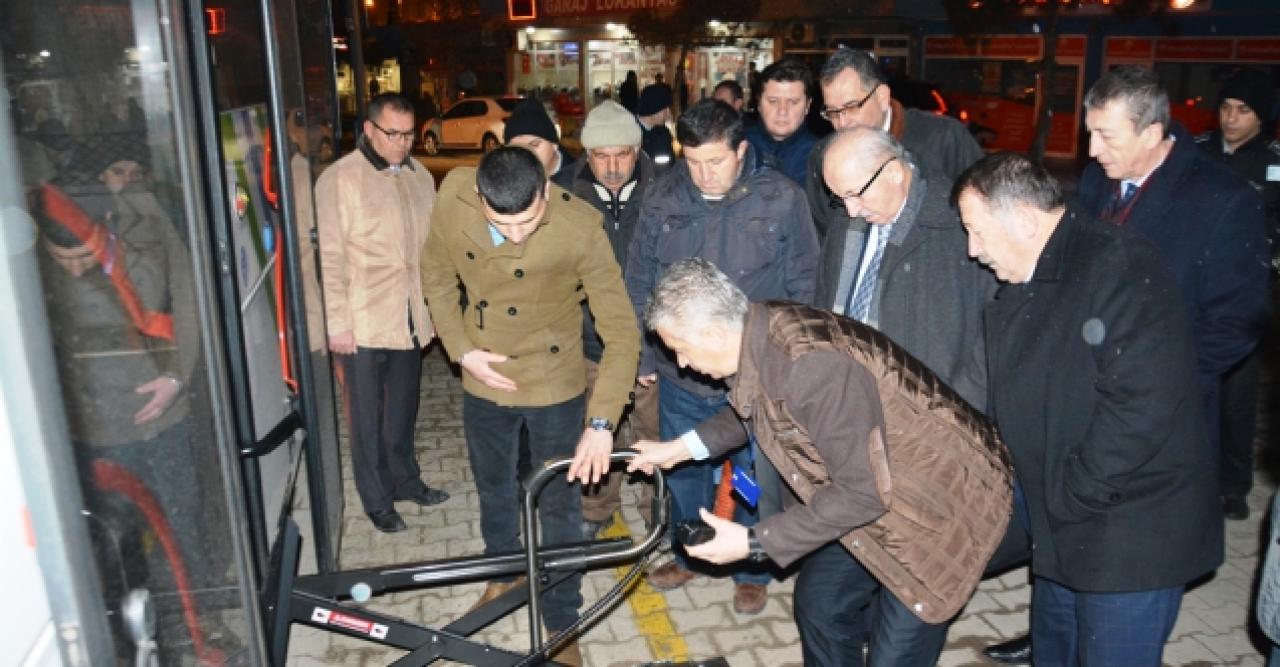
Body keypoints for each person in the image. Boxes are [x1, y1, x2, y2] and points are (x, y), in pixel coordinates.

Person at [985, 65, 1272, 667]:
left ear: (1154, 132)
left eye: (1107, 136)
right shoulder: (1097, 184)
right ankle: (1052, 635)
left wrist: (1156, 377)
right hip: (1081, 398)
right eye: (1090, 133)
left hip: (1156, 414)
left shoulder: (1221, 200)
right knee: (1065, 581)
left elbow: (1238, 319)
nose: (1092, 150)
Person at [626, 258, 1013, 665]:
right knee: (821, 605)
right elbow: (752, 406)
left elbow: (862, 495)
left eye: (681, 351)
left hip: (933, 515)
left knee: (893, 654)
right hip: (873, 493)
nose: (682, 365)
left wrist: (751, 541)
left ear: (714, 332)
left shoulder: (811, 367)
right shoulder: (761, 329)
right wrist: (679, 448)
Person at [957, 152, 1222, 666]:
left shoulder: (1120, 266)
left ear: (1027, 221)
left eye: (977, 231)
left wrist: (1075, 491)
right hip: (1062, 527)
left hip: (1124, 533)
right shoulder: (1031, 274)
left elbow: (1142, 406)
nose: (973, 250)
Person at [420, 147, 640, 665]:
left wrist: (603, 421)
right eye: (503, 224)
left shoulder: (581, 226)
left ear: (547, 193)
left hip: (553, 380)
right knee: (494, 490)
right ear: (479, 197)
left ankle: (563, 621)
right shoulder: (453, 196)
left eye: (529, 220)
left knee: (559, 505)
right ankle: (502, 573)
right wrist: (461, 349)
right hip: (485, 375)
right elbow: (434, 274)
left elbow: (622, 332)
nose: (517, 234)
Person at [624, 99, 819, 615]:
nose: (703, 174)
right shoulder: (662, 197)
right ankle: (691, 554)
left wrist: (793, 367)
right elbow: (639, 279)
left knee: (752, 473)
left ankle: (754, 565)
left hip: (755, 377)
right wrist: (644, 356)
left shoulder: (782, 199)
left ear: (741, 150)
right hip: (681, 376)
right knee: (685, 470)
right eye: (692, 161)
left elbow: (805, 285)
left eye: (715, 161)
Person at [33, 133, 215, 656]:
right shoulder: (34, 265)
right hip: (97, 429)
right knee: (115, 540)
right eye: (60, 259)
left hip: (164, 417)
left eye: (83, 256)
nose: (72, 268)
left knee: (183, 520)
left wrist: (178, 376)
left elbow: (187, 295)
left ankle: (195, 621)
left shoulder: (144, 230)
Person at [315, 93, 447, 534]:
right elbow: (329, 259)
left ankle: (406, 481)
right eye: (393, 133)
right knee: (366, 420)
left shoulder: (420, 177)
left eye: (409, 133)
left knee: (402, 412)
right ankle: (377, 499)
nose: (402, 143)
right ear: (369, 130)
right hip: (363, 321)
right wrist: (337, 324)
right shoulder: (341, 179)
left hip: (410, 320)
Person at [816, 127, 994, 409]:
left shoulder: (958, 229)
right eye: (840, 198)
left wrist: (956, 411)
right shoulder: (845, 223)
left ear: (895, 172)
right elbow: (824, 305)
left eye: (856, 194)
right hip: (847, 402)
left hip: (926, 416)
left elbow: (988, 339)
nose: (851, 210)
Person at [566, 100, 663, 535]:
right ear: (587, 156)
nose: (612, 166)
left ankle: (654, 512)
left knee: (651, 434)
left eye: (621, 154)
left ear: (637, 150)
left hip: (652, 344)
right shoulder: (565, 197)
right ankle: (596, 512)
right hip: (591, 342)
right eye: (601, 157)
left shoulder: (663, 192)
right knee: (596, 429)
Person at [1195, 66, 1279, 520]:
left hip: (1248, 298)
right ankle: (1196, 477)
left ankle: (1233, 486)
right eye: (1226, 107)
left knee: (1237, 398)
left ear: (1261, 117)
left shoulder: (1275, 160)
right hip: (1199, 291)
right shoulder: (1198, 153)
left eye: (1243, 110)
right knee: (1195, 388)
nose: (1231, 117)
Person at [804, 47, 983, 240]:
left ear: (882, 97)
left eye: (852, 107)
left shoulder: (944, 138)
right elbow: (822, 234)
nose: (842, 122)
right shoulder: (825, 157)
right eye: (833, 112)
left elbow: (984, 211)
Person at [745, 57, 818, 185]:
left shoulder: (822, 156)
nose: (782, 111)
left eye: (793, 102)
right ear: (759, 104)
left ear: (807, 106)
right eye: (773, 101)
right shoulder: (737, 147)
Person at [503, 97, 573, 187]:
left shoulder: (582, 184)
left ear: (554, 145)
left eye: (534, 145)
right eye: (517, 149)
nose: (527, 153)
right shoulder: (502, 184)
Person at [637, 83, 676, 167]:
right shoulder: (629, 133)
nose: (669, 113)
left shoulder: (664, 134)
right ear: (654, 110)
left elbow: (671, 165)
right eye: (666, 109)